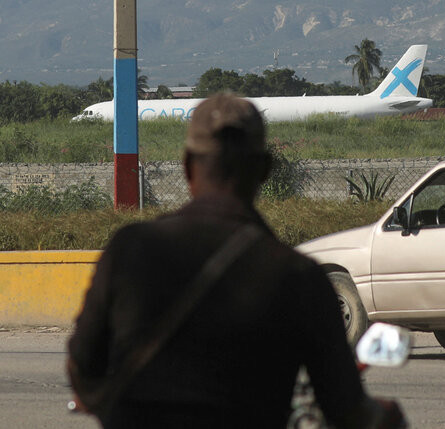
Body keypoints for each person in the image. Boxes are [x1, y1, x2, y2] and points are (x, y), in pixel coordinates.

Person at [67, 93, 383, 428]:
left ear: (187, 165)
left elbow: (82, 365)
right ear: (265, 170)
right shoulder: (298, 276)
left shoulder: (130, 250)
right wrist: (385, 415)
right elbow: (344, 405)